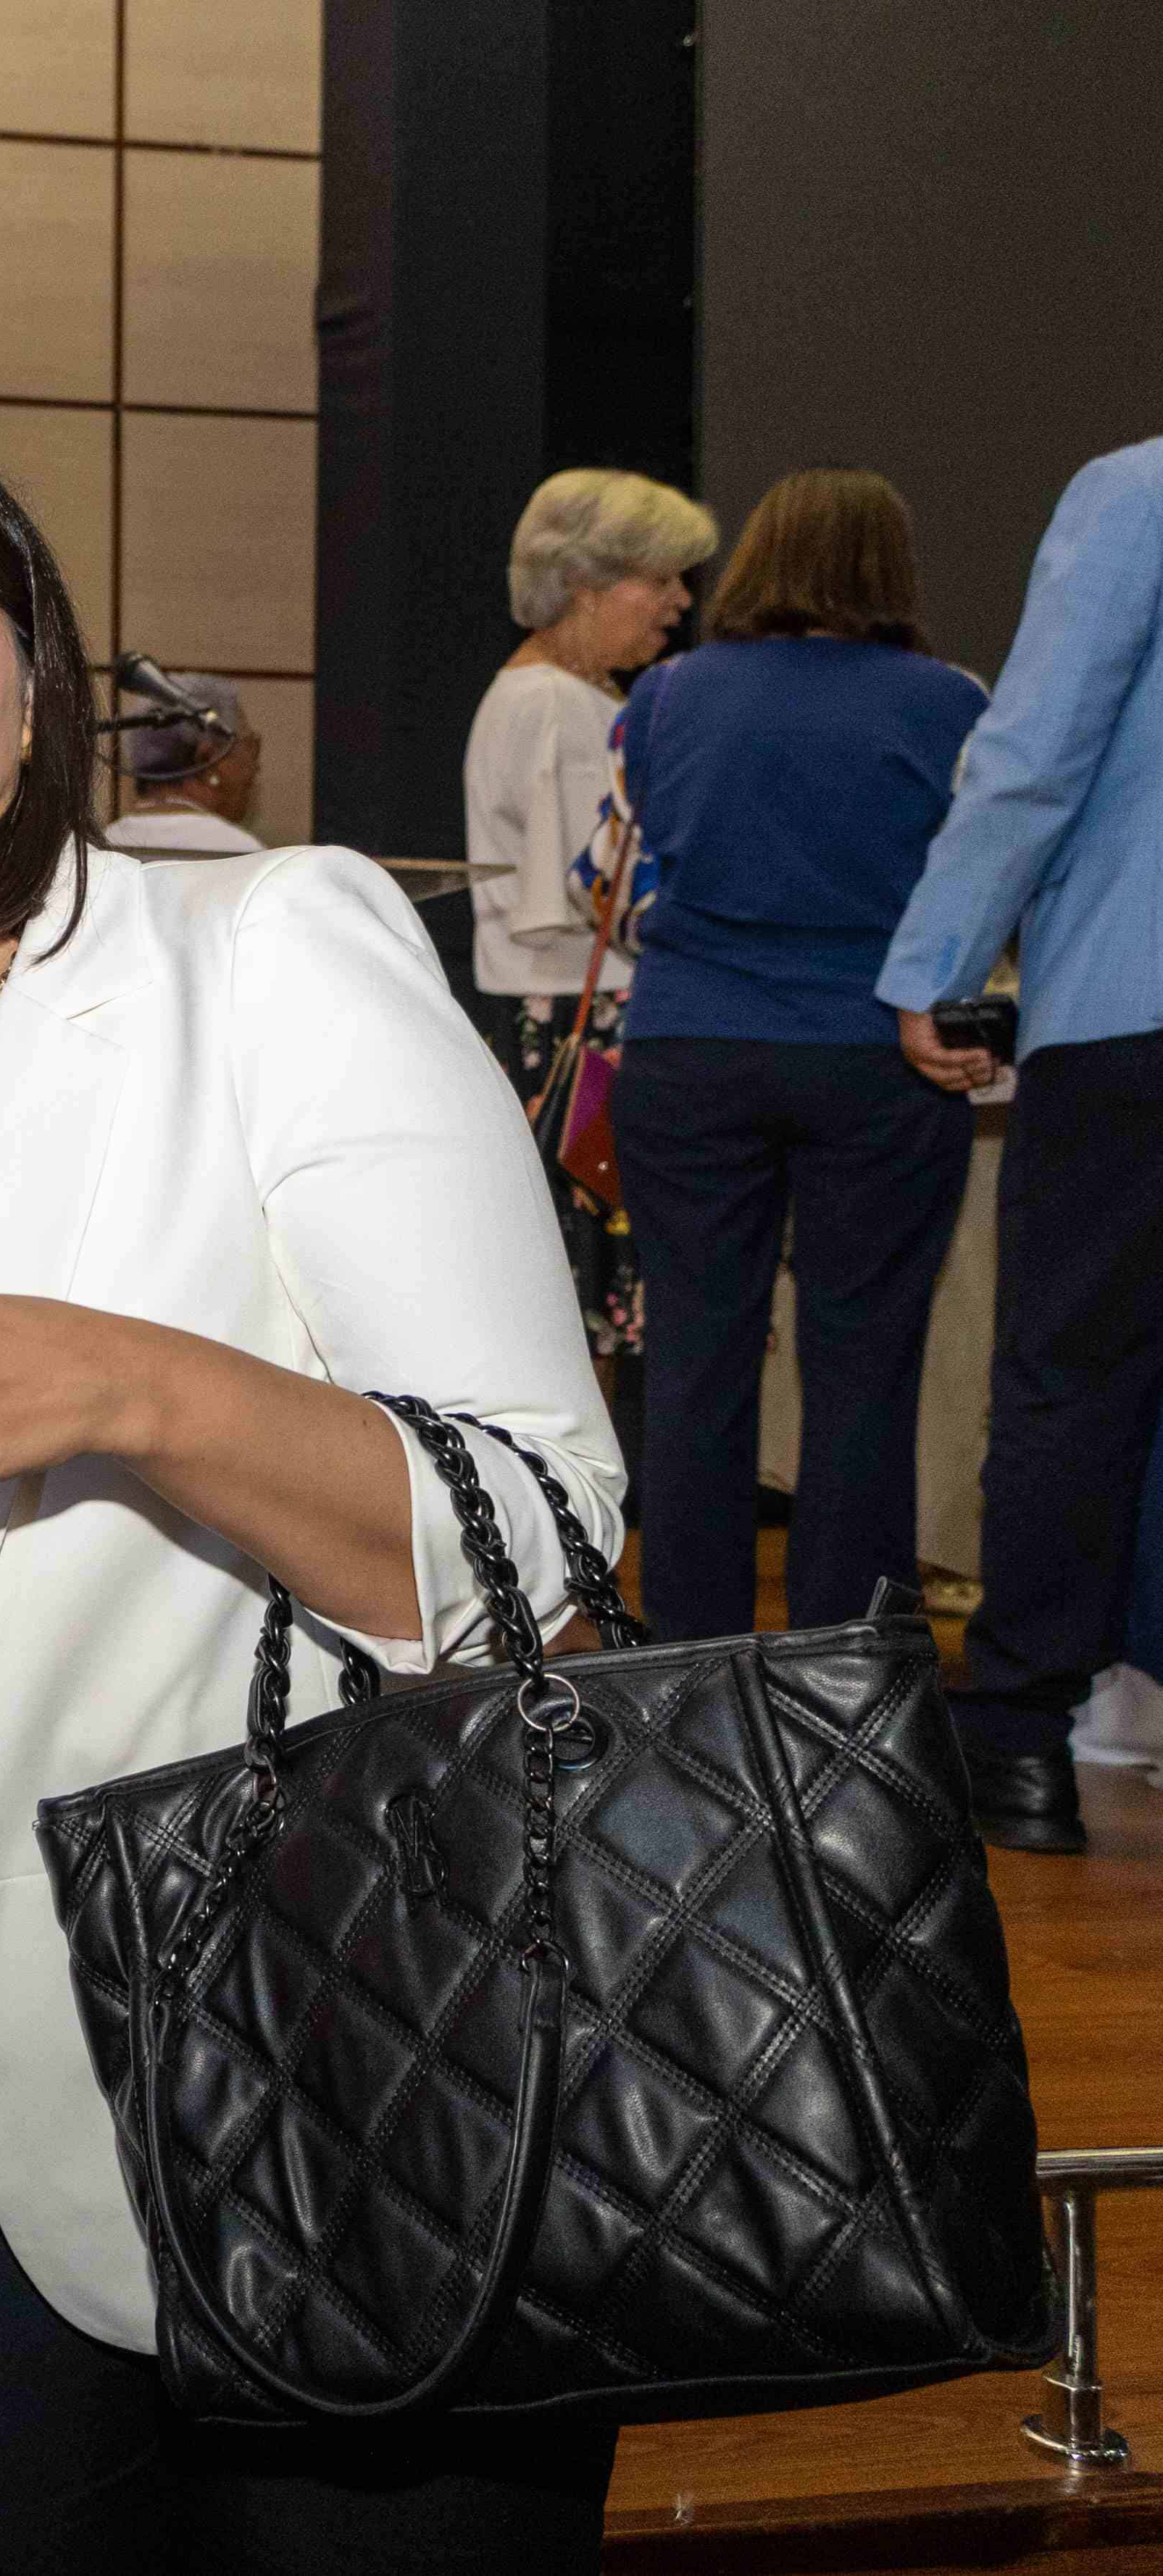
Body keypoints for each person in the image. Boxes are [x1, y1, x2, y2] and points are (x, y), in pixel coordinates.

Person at [0, 427, 624, 2572]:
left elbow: (536, 1529)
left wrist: (142, 1391)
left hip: (322, 1960)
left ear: (31, 678)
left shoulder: (260, 949)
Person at [605, 468, 990, 1647]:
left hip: (688, 1050)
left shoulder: (664, 696)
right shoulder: (953, 703)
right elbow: (979, 884)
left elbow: (608, 891)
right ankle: (847, 1666)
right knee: (863, 1366)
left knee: (694, 1366)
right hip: (877, 1056)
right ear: (892, 569)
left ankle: (691, 1661)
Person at [877, 435, 1163, 1853]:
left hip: (1133, 1007)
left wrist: (936, 959)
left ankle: (1021, 1743)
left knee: (1071, 1382)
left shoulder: (1138, 490)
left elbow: (1036, 751)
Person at [463, 467, 720, 1418]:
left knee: (589, 1290)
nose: (680, 604)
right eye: (662, 579)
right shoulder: (560, 709)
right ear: (588, 586)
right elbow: (590, 888)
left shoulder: (544, 695)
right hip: (591, 1026)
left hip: (555, 1022)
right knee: (601, 1294)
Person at [97, 665, 262, 856]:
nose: (256, 768)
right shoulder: (244, 853)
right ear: (208, 759)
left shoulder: (99, 846)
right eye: (251, 747)